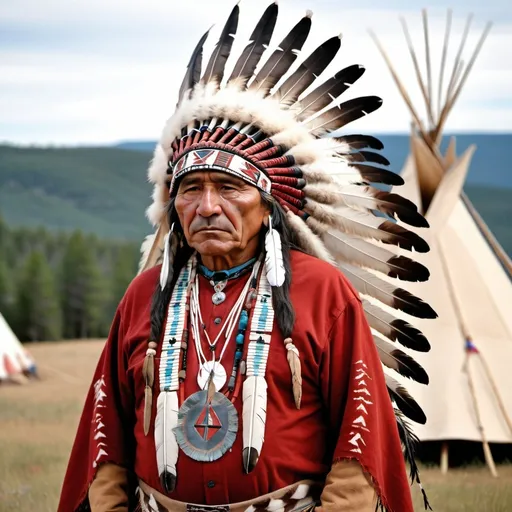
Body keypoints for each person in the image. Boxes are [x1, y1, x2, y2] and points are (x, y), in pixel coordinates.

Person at [58, 4, 436, 511]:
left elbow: (359, 438)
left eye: (229, 188)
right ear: (172, 204)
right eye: (190, 189)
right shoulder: (146, 295)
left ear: (268, 206)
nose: (208, 206)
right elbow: (107, 439)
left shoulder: (321, 292)